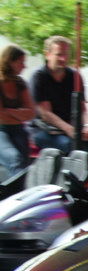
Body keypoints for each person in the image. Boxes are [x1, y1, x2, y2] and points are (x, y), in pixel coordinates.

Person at [29, 36, 88, 168]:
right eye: (59, 55)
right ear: (47, 54)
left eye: (66, 54)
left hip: (71, 129)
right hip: (43, 130)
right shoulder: (39, 76)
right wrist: (70, 129)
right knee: (68, 145)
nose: (63, 59)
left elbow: (83, 108)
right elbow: (46, 114)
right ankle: (74, 178)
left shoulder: (75, 76)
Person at [0, 45, 36, 179]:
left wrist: (7, 110)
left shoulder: (20, 83)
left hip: (18, 129)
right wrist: (19, 114)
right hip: (1, 130)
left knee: (24, 166)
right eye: (21, 62)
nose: (24, 66)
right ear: (9, 61)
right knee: (14, 158)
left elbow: (31, 113)